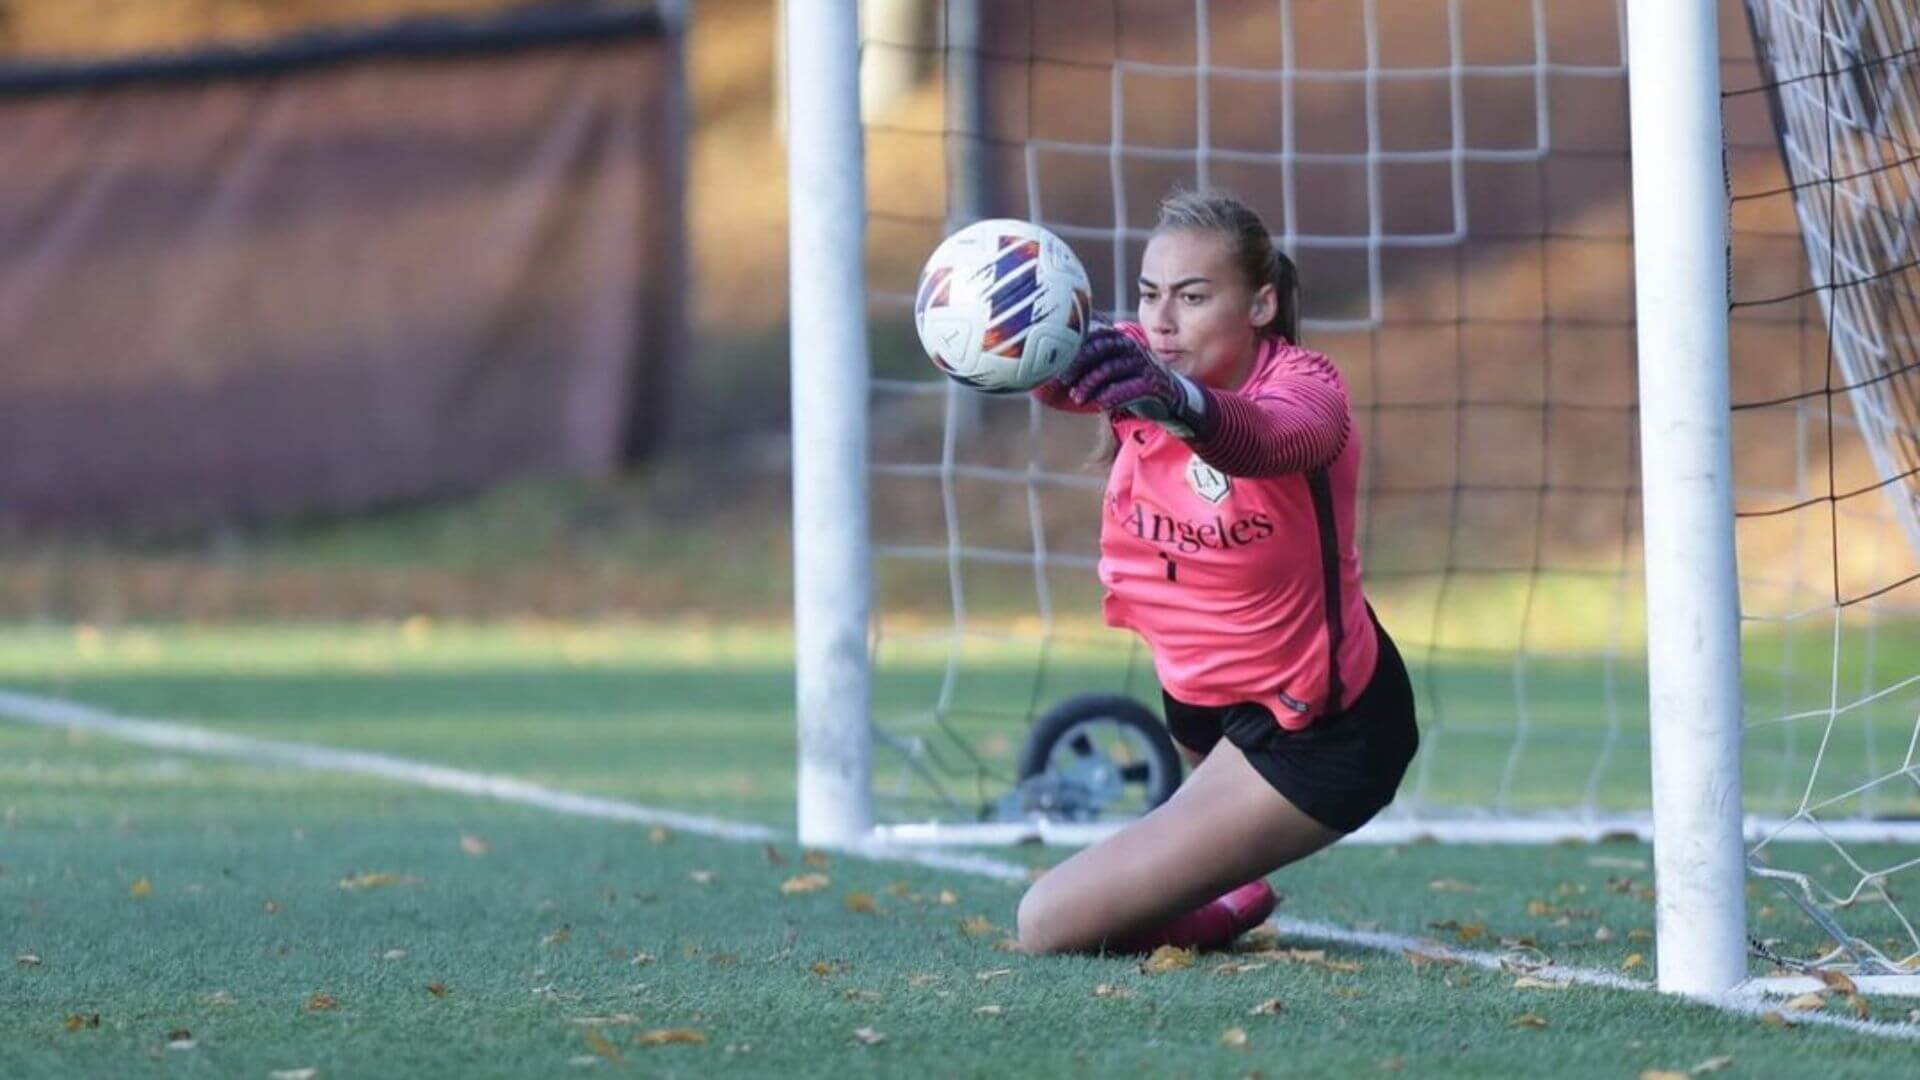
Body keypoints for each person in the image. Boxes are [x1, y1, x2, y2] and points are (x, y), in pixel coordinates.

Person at [1016, 189, 1419, 955]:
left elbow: (1274, 439)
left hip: (1318, 733)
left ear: (1261, 302)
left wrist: (1177, 401)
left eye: (1194, 297)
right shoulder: (1146, 357)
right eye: (1149, 294)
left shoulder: (1304, 387)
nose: (1163, 321)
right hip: (1200, 702)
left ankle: (1225, 906)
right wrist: (1006, 325)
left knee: (1047, 923)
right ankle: (1232, 885)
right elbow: (1048, 369)